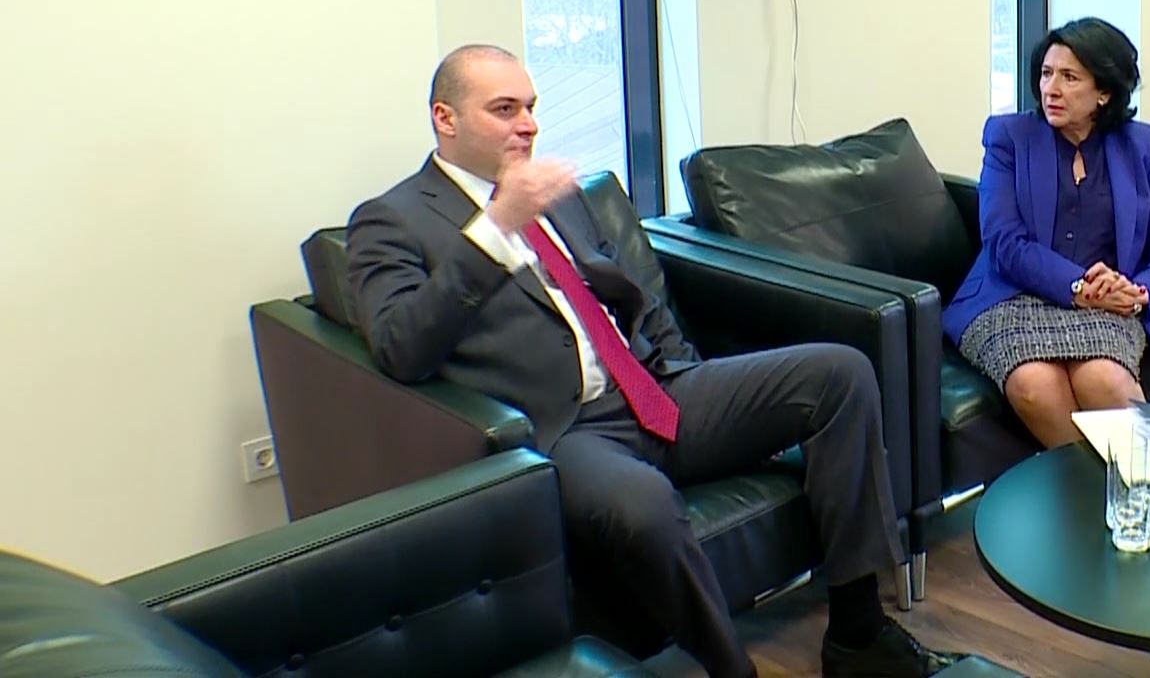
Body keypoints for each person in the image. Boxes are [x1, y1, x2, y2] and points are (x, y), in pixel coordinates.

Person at [345, 45, 960, 678]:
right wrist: (497, 227)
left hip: (654, 388)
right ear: (445, 118)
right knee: (645, 506)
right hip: (567, 430)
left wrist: (672, 357)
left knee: (839, 373)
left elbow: (624, 289)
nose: (527, 125)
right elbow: (401, 347)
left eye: (530, 107)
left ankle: (858, 634)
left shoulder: (558, 196)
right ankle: (733, 670)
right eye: (505, 110)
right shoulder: (391, 220)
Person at [944, 19, 1150, 448]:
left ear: (1104, 92)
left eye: (1069, 77)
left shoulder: (1141, 146)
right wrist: (1078, 287)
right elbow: (1004, 242)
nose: (1051, 89)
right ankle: (1093, 485)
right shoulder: (1009, 137)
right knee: (1034, 385)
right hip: (1013, 296)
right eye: (1046, 74)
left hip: (1110, 303)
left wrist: (1136, 293)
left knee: (1105, 380)